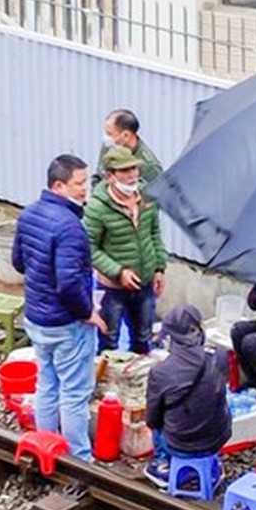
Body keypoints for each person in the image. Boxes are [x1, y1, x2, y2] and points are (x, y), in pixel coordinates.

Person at [13, 154, 107, 460]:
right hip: (67, 323)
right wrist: (88, 313)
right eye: (79, 184)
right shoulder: (70, 227)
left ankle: (45, 444)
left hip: (37, 317)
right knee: (75, 392)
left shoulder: (28, 215)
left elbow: (18, 262)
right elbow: (68, 283)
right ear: (58, 185)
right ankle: (79, 457)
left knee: (47, 382)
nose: (85, 190)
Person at [84, 146, 168, 354]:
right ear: (110, 176)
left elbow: (154, 234)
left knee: (143, 338)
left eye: (134, 170)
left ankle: (138, 382)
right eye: (125, 171)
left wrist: (159, 268)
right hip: (112, 289)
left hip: (144, 284)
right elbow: (89, 247)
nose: (132, 176)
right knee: (109, 342)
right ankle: (110, 384)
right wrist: (118, 272)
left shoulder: (147, 197)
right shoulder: (97, 207)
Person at [143, 305, 233, 489]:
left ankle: (164, 465)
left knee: (157, 422)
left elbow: (152, 418)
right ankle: (210, 468)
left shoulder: (161, 371)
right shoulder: (220, 357)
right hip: (218, 437)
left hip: (180, 443)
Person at [101, 108, 164, 185]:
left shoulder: (150, 166)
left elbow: (153, 194)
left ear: (126, 135)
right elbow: (99, 176)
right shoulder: (110, 146)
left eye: (110, 134)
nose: (106, 138)